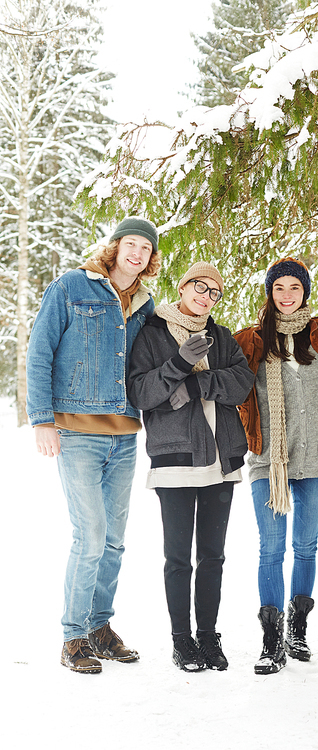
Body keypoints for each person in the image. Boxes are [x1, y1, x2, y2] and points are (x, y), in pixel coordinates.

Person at [26, 216, 161, 674]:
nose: (137, 253)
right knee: (91, 537)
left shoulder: (146, 304)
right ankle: (73, 637)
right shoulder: (71, 287)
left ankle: (100, 627)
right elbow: (40, 351)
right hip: (78, 432)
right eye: (131, 243)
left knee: (116, 541)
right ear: (116, 246)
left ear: (150, 258)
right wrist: (42, 419)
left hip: (124, 435)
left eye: (146, 247)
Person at [127, 261, 254, 673]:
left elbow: (242, 382)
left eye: (214, 292)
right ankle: (182, 639)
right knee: (178, 558)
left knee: (213, 557)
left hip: (222, 460)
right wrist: (178, 364)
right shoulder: (153, 333)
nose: (205, 296)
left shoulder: (220, 336)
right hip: (175, 459)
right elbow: (141, 392)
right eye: (199, 287)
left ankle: (208, 636)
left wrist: (198, 383)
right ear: (182, 287)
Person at [234, 257, 318, 675]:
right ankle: (271, 640)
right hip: (269, 460)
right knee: (271, 547)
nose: (287, 296)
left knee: (306, 546)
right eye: (279, 288)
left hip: (317, 455)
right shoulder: (250, 340)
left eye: (294, 288)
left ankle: (297, 629)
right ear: (270, 292)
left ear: (305, 291)